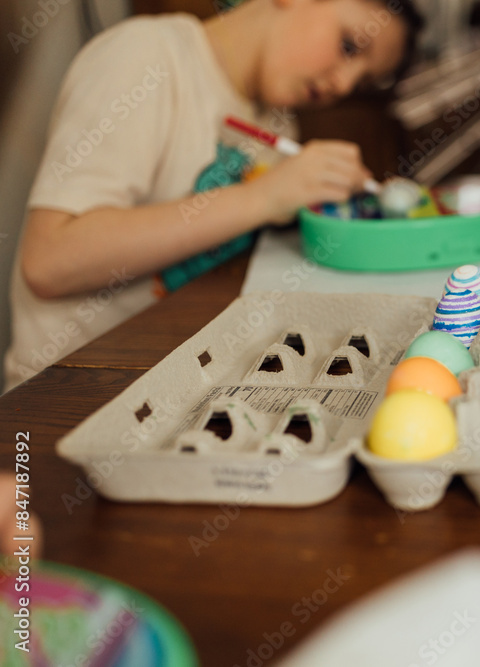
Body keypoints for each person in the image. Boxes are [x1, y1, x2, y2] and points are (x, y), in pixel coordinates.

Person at [3, 0, 423, 392]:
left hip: (179, 382)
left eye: (363, 81)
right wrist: (263, 197)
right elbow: (50, 261)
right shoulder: (146, 58)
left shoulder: (277, 124)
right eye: (349, 45)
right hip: (68, 390)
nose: (343, 84)